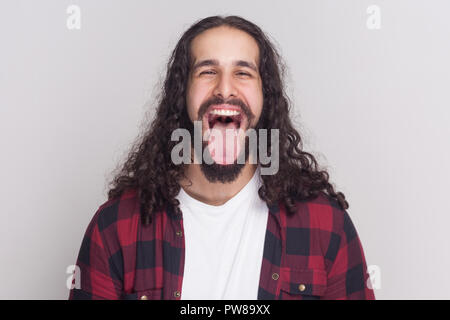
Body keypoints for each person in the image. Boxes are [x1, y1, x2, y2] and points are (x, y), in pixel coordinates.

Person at [68, 15, 375, 300]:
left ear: (265, 98)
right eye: (208, 71)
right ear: (182, 94)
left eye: (243, 73)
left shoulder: (325, 223)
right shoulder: (116, 226)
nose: (225, 88)